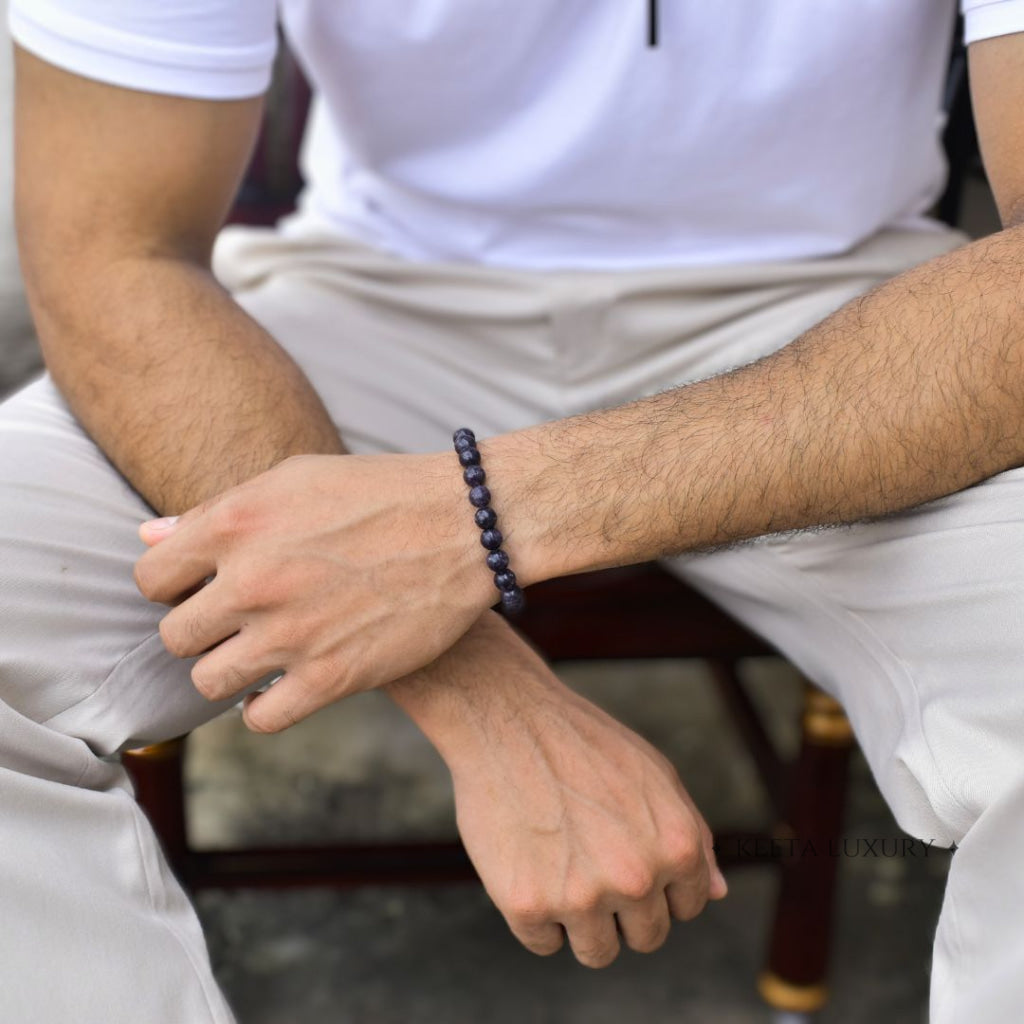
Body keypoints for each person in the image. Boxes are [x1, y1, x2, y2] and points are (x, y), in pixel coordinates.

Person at [3, 1, 1023, 1021]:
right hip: (369, 299)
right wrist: (482, 695)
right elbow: (114, 249)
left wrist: (467, 525)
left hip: (846, 329)